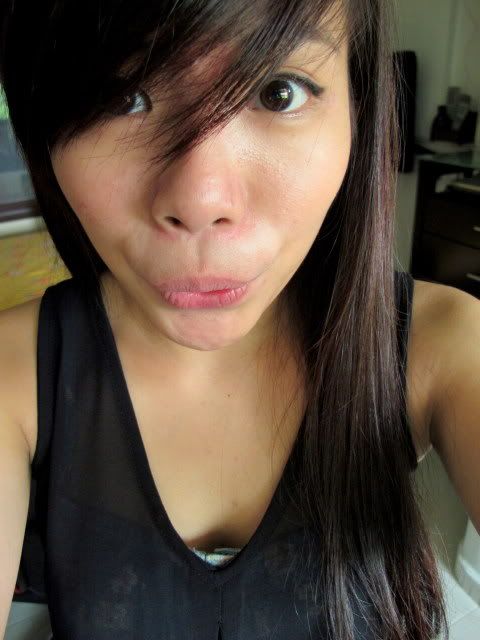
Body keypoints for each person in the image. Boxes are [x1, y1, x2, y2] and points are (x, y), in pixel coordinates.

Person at [0, 0, 479, 638]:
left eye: (278, 92)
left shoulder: (442, 342)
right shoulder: (14, 370)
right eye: (121, 98)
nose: (201, 200)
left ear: (358, 110)